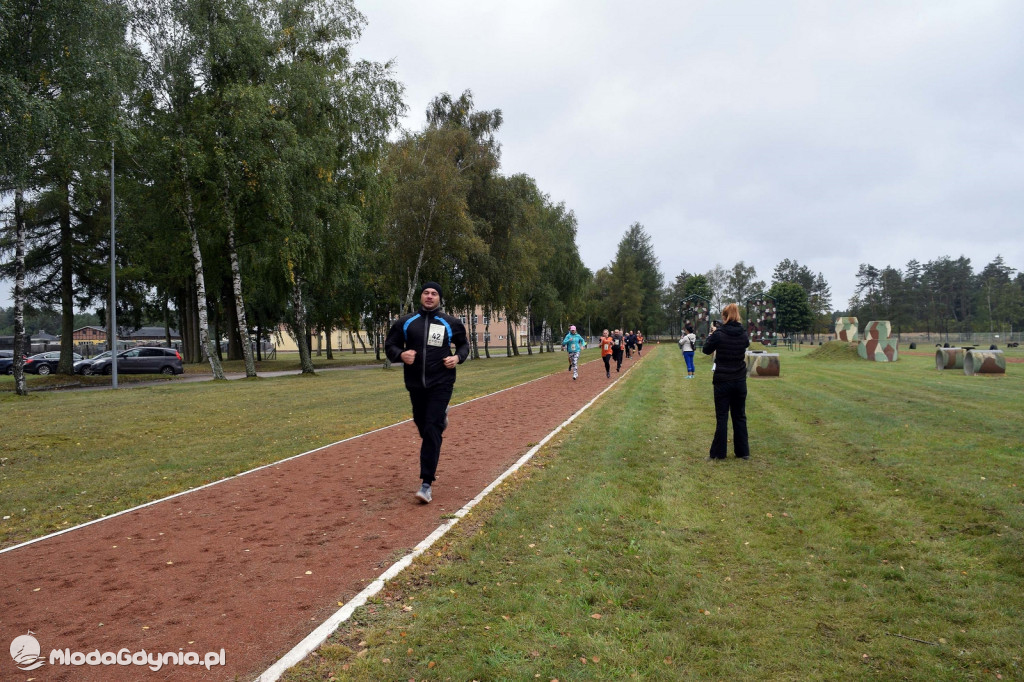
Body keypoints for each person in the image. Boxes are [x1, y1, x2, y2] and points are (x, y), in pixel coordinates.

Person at [385, 282, 470, 503]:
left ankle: (426, 484)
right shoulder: (406, 322)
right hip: (415, 384)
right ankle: (440, 420)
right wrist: (401, 355)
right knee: (423, 424)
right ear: (420, 296)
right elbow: (390, 346)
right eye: (426, 293)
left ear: (439, 298)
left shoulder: (450, 323)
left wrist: (456, 358)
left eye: (434, 293)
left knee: (432, 429)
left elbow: (463, 346)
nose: (430, 296)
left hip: (441, 383)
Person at [701, 303, 750, 460]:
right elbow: (746, 344)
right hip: (739, 380)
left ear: (725, 316)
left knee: (722, 417)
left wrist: (712, 333)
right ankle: (743, 452)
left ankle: (718, 453)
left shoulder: (719, 334)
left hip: (723, 380)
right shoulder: (743, 334)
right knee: (739, 415)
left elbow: (706, 349)